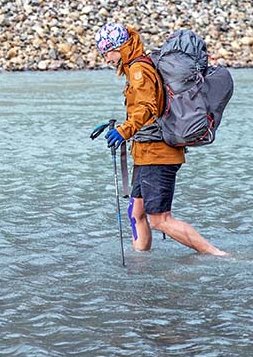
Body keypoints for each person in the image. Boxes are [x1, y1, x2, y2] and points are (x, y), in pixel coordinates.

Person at [94, 22, 230, 257]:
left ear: (119, 47)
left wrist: (124, 131)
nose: (106, 59)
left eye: (107, 52)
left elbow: (148, 106)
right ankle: (141, 266)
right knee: (136, 212)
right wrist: (120, 127)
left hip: (158, 153)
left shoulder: (139, 70)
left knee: (159, 219)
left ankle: (216, 255)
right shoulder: (136, 67)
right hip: (145, 151)